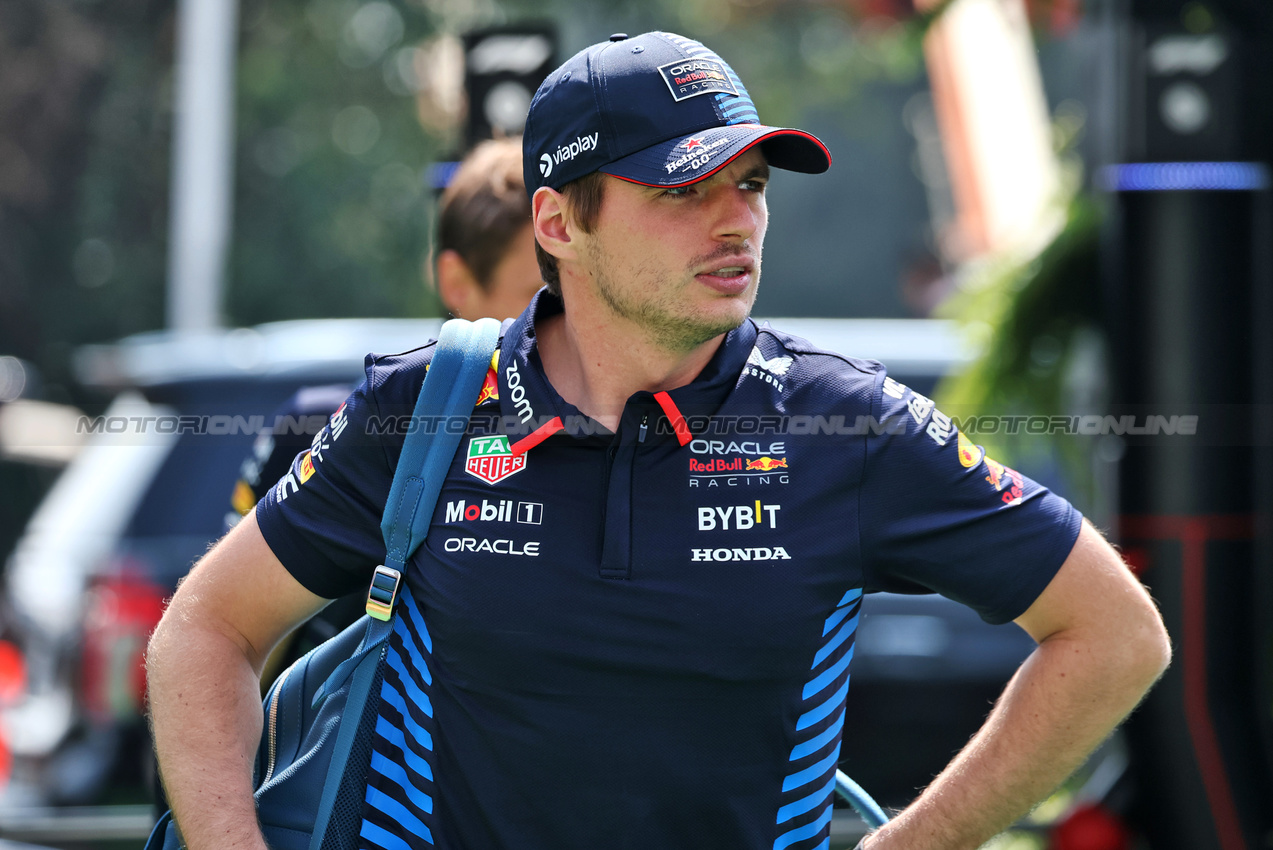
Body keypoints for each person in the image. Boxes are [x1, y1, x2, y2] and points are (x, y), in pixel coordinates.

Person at [147, 31, 1171, 850]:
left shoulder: (844, 423)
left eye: (752, 185)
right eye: (684, 191)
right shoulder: (425, 406)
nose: (737, 224)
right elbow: (204, 628)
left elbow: (1117, 633)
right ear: (557, 220)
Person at [224, 137, 540, 681]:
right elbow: (229, 649)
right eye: (539, 295)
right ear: (456, 281)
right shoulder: (322, 428)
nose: (565, 316)